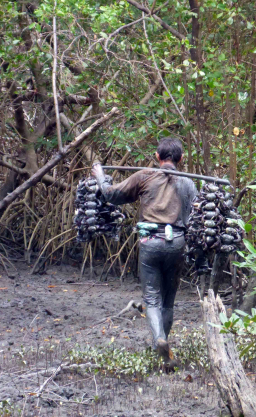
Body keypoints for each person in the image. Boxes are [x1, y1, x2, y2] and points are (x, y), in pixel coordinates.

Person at [91, 138, 197, 369]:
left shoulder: (144, 175)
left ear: (158, 157)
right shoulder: (188, 183)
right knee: (167, 302)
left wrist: (99, 175)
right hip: (177, 243)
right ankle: (164, 344)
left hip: (150, 242)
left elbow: (111, 194)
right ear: (180, 159)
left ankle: (159, 339)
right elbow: (194, 216)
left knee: (151, 298)